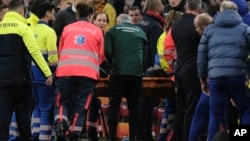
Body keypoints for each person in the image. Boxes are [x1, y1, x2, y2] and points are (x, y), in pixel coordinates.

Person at [0, 0, 53, 140]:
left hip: (2, 80)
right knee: (23, 116)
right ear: (21, 12)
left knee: (3, 116)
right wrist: (47, 73)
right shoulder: (23, 28)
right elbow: (34, 52)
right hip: (21, 79)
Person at [197, 1, 250, 141]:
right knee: (245, 110)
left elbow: (201, 57)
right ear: (236, 12)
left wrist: (203, 79)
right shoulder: (245, 29)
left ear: (220, 12)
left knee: (215, 114)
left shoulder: (209, 30)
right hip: (238, 77)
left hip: (216, 77)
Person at [53, 2, 104, 140]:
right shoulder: (97, 31)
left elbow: (60, 50)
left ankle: (60, 122)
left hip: (65, 71)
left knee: (62, 102)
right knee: (81, 105)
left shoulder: (68, 28)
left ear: (77, 14)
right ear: (90, 15)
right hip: (88, 74)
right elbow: (100, 56)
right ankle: (73, 133)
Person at [105, 13, 148, 141]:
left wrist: (113, 63)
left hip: (117, 72)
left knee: (114, 106)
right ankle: (133, 137)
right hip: (135, 73)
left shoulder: (113, 30)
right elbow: (145, 53)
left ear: (118, 22)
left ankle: (113, 138)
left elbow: (107, 50)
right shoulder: (140, 31)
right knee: (134, 106)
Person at [166, 0, 202, 140]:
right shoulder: (198, 24)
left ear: (186, 7)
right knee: (191, 110)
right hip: (193, 72)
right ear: (199, 7)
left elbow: (169, 48)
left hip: (179, 70)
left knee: (180, 110)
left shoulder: (175, 25)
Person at [136, 0, 164, 140]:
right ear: (158, 8)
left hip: (138, 68)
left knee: (141, 104)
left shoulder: (141, 22)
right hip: (148, 71)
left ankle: (142, 134)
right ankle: (143, 135)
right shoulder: (155, 26)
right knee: (146, 105)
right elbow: (155, 51)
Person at [30, 1, 58, 140]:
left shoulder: (31, 29)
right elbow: (53, 59)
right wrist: (53, 73)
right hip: (45, 76)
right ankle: (45, 136)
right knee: (46, 107)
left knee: (37, 106)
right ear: (47, 13)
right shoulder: (49, 31)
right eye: (53, 13)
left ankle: (35, 134)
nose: (54, 15)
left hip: (31, 75)